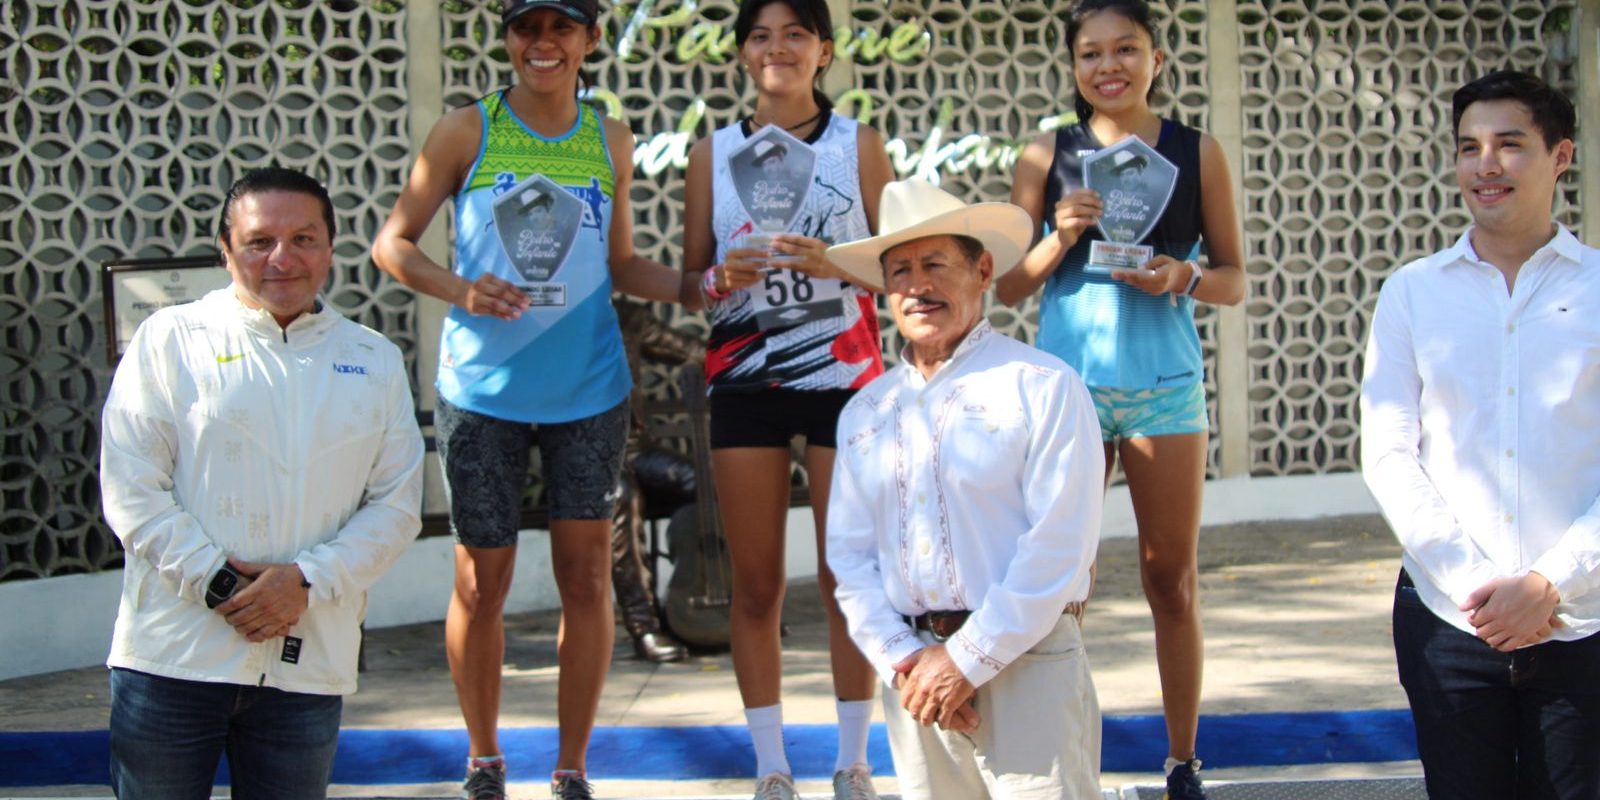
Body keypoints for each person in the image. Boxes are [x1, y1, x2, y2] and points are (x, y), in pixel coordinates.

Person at [370, 0, 691, 797]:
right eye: (526, 27)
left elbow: (620, 265)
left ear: (589, 39)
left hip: (588, 391)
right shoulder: (464, 131)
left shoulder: (608, 137)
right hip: (482, 394)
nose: (542, 44)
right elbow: (392, 243)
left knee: (586, 580)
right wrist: (460, 290)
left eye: (562, 28)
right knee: (483, 582)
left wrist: (700, 287)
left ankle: (571, 767)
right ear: (509, 36)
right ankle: (484, 759)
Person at [98, 167, 425, 799]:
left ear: (331, 248)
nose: (283, 258)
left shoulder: (374, 358)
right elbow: (132, 491)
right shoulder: (169, 340)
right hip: (174, 659)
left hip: (307, 664)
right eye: (258, 241)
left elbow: (395, 506)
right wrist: (222, 585)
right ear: (226, 249)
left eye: (304, 238)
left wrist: (305, 580)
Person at [994, 1, 1245, 796]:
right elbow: (1003, 284)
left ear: (1157, 58)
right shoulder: (1047, 153)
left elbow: (1235, 279)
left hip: (1166, 396)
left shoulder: (1196, 153)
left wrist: (1186, 277)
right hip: (1068, 395)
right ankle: (1061, 759)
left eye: (1127, 50)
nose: (1110, 66)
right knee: (1061, 584)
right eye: (1092, 54)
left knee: (1170, 578)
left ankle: (1182, 761)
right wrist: (1060, 235)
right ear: (1073, 67)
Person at [825, 179, 1106, 800]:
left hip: (1028, 662)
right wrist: (909, 659)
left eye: (934, 265)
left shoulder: (1041, 385)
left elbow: (1060, 546)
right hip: (913, 679)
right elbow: (851, 561)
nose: (917, 286)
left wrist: (966, 659)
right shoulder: (866, 411)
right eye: (899, 271)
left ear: (982, 270)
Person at [1360, 70, 1599, 799]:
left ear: (1560, 157)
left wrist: (1549, 581)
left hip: (1585, 620)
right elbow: (1389, 451)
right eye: (1469, 147)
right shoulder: (1412, 291)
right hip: (1446, 620)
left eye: (1509, 145)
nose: (1485, 165)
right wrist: (1477, 590)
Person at [677, 0, 895, 796]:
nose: (779, 49)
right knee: (758, 583)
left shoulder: (859, 144)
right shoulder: (714, 153)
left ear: (824, 51)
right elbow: (692, 280)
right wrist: (716, 280)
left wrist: (836, 261)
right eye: (761, 36)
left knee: (849, 578)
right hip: (745, 381)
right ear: (741, 55)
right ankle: (772, 768)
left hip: (846, 382)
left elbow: (897, 267)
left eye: (795, 34)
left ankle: (853, 761)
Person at [611, 296, 699, 664]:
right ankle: (644, 627)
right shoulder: (550, 313)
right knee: (622, 496)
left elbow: (692, 351)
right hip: (581, 454)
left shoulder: (627, 316)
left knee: (708, 485)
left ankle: (711, 603)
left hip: (636, 450)